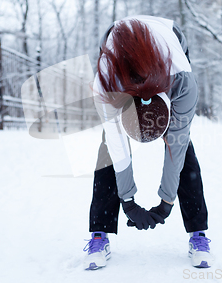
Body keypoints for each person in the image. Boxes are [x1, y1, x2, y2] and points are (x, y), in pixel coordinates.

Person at [83, 15, 212, 270]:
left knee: (183, 146)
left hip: (170, 37)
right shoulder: (106, 85)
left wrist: (166, 202)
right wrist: (128, 201)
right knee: (109, 149)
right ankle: (99, 234)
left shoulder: (183, 82)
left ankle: (198, 235)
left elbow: (176, 144)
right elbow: (119, 147)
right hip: (116, 44)